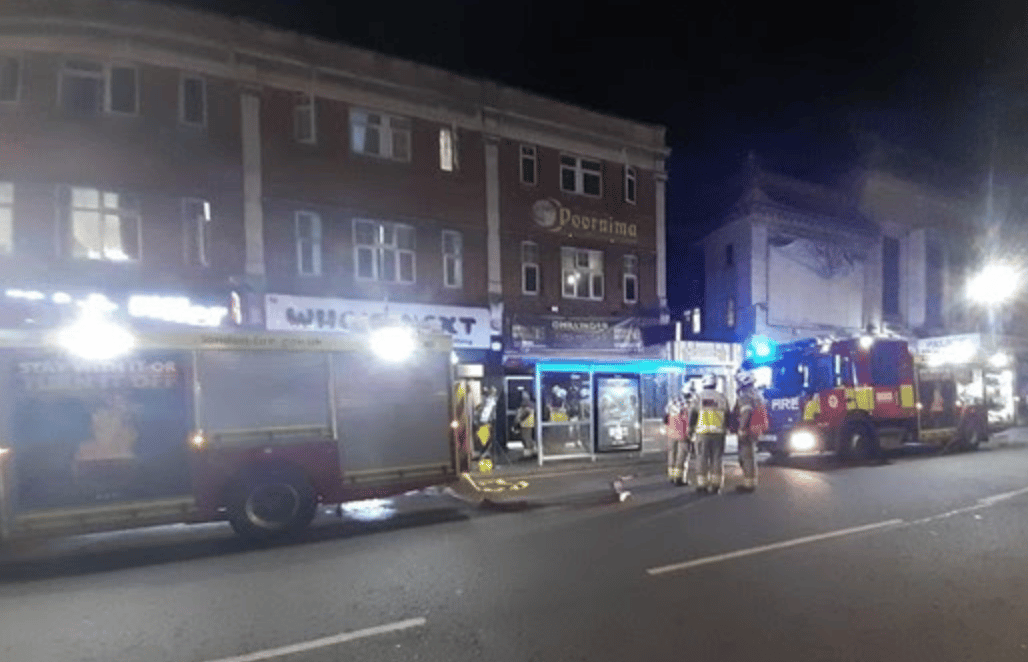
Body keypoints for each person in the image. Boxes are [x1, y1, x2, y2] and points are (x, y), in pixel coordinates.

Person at [690, 373, 730, 494]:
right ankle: (716, 485)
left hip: (702, 433)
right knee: (717, 459)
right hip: (718, 433)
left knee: (701, 458)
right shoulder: (722, 397)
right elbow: (728, 415)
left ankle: (702, 484)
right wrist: (727, 428)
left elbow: (692, 415)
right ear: (715, 383)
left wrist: (690, 429)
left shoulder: (698, 397)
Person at [732, 372, 767, 492]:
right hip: (756, 428)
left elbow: (746, 412)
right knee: (750, 456)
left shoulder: (745, 396)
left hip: (748, 429)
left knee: (746, 457)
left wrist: (742, 428)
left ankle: (749, 484)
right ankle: (751, 482)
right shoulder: (757, 394)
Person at [665, 383, 691, 486]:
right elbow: (690, 420)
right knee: (682, 456)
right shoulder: (688, 404)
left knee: (672, 454)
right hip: (682, 434)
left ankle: (671, 476)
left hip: (671, 433)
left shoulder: (672, 401)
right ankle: (679, 478)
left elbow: (665, 417)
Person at [515, 393, 537, 458]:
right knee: (528, 438)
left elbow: (522, 415)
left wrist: (518, 421)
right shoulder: (532, 405)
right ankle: (533, 451)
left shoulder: (525, 406)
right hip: (529, 424)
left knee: (526, 438)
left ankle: (529, 453)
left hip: (525, 424)